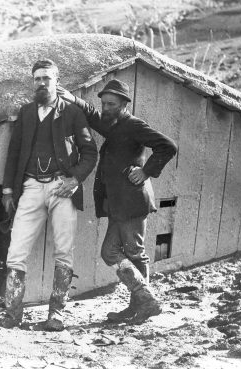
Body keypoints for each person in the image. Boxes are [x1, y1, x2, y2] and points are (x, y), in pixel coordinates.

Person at [58, 79, 177, 325]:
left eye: (111, 104)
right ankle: (141, 302)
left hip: (133, 201)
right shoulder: (113, 124)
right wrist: (73, 99)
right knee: (110, 251)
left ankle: (144, 303)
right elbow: (92, 115)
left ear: (124, 104)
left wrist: (146, 171)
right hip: (118, 203)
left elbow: (168, 146)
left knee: (135, 252)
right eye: (104, 103)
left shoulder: (133, 125)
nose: (106, 107)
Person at [0, 59, 98, 331]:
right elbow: (14, 153)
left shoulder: (72, 113)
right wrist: (8, 190)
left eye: (46, 78)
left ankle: (56, 314)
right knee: (16, 251)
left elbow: (90, 152)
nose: (41, 83)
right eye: (37, 79)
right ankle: (12, 314)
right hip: (30, 187)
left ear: (57, 81)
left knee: (64, 251)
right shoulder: (27, 112)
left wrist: (75, 179)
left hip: (61, 188)